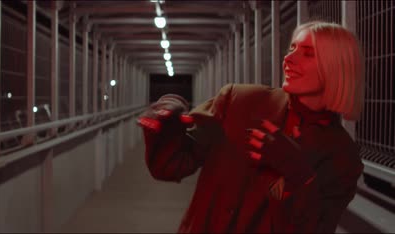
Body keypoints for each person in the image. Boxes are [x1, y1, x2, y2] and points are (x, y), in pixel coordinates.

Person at [137, 21, 364, 233]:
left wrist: (298, 173)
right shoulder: (240, 100)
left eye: (308, 53)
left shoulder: (343, 155)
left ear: (337, 67)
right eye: (292, 48)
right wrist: (167, 120)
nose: (289, 58)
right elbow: (171, 166)